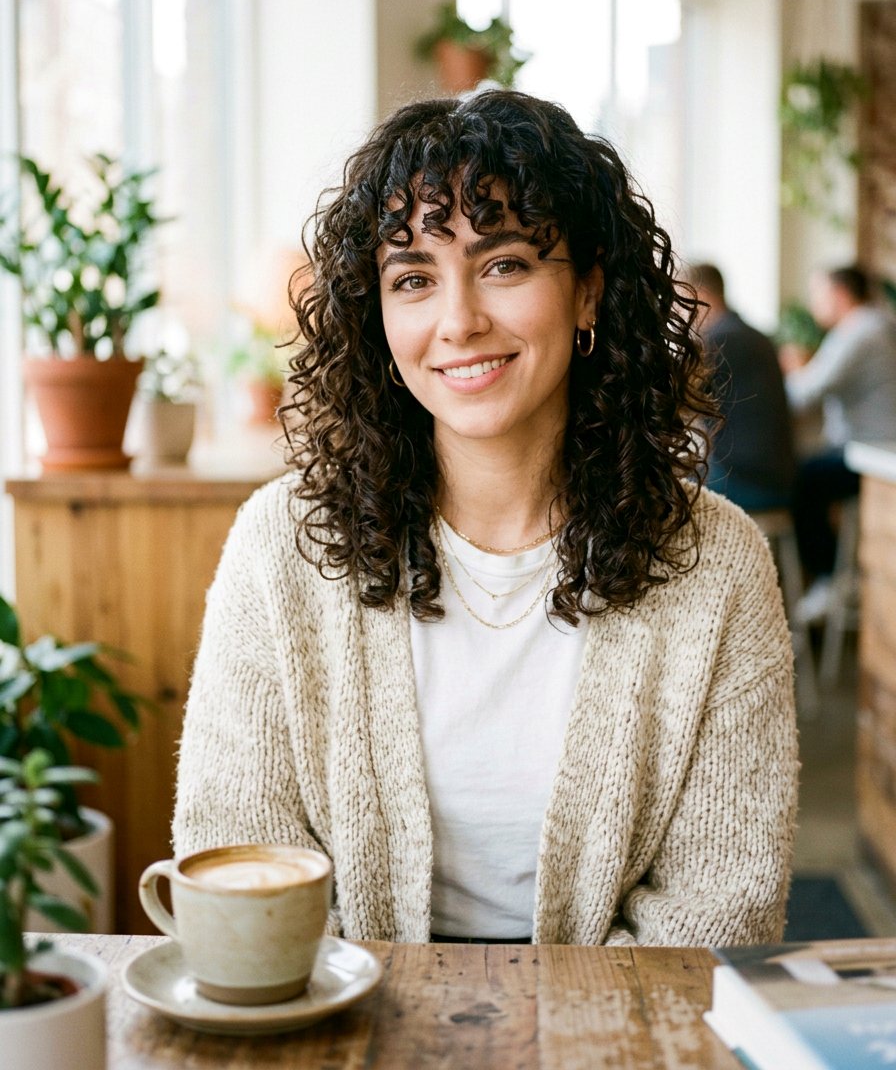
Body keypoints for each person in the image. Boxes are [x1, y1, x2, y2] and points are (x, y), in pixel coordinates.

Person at [173, 91, 798, 947]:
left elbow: (724, 916)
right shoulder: (281, 547)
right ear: (377, 314)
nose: (459, 321)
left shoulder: (716, 564)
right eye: (415, 279)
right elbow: (237, 863)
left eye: (504, 264)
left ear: (587, 292)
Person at [787, 264, 896, 595]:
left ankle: (829, 578)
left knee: (800, 480)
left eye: (818, 293)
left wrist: (789, 370)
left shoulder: (859, 332)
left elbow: (803, 394)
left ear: (839, 294)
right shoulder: (876, 324)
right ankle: (833, 577)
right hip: (872, 448)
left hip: (871, 452)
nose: (814, 302)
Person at [682, 261, 795, 512]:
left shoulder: (719, 340)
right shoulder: (754, 335)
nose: (680, 313)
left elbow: (677, 400)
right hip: (778, 475)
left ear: (700, 297)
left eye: (683, 301)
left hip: (748, 480)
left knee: (669, 490)